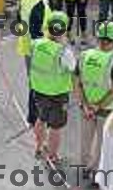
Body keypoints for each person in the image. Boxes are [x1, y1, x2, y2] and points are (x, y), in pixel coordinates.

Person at [77, 21, 113, 186]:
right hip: (104, 110)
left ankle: (85, 168)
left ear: (98, 38)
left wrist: (85, 104)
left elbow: (77, 82)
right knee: (102, 143)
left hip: (85, 107)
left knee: (85, 140)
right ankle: (96, 174)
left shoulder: (84, 55)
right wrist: (98, 106)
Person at [29, 11, 77, 165]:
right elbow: (73, 67)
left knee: (41, 119)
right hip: (57, 94)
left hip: (38, 90)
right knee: (55, 127)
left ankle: (38, 147)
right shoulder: (64, 52)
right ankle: (53, 155)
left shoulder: (36, 43)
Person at [18, 0, 53, 126]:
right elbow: (36, 30)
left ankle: (34, 115)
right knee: (38, 82)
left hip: (25, 45)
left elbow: (19, 18)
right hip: (37, 48)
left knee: (32, 81)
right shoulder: (41, 3)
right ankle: (35, 116)